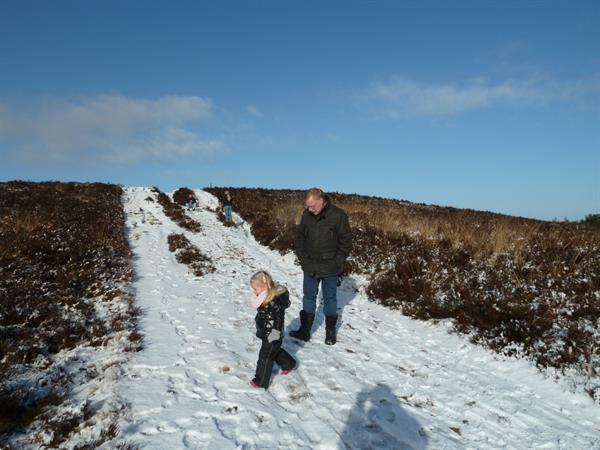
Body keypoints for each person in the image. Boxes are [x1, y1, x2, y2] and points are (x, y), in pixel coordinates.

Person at [291, 188, 352, 345]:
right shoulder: (307, 214)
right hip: (310, 265)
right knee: (308, 297)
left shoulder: (338, 215)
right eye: (308, 206)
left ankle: (330, 333)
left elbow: (346, 243)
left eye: (312, 206)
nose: (309, 209)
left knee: (330, 298)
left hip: (330, 267)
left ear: (321, 200)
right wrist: (303, 258)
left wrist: (336, 261)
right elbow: (300, 238)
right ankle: (305, 331)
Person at [248, 271, 296, 389]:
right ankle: (288, 364)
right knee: (273, 350)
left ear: (265, 286)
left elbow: (278, 320)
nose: (255, 291)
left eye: (256, 288)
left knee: (265, 356)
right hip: (268, 331)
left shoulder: (273, 301)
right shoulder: (264, 297)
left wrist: (274, 335)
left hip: (273, 332)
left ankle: (261, 381)